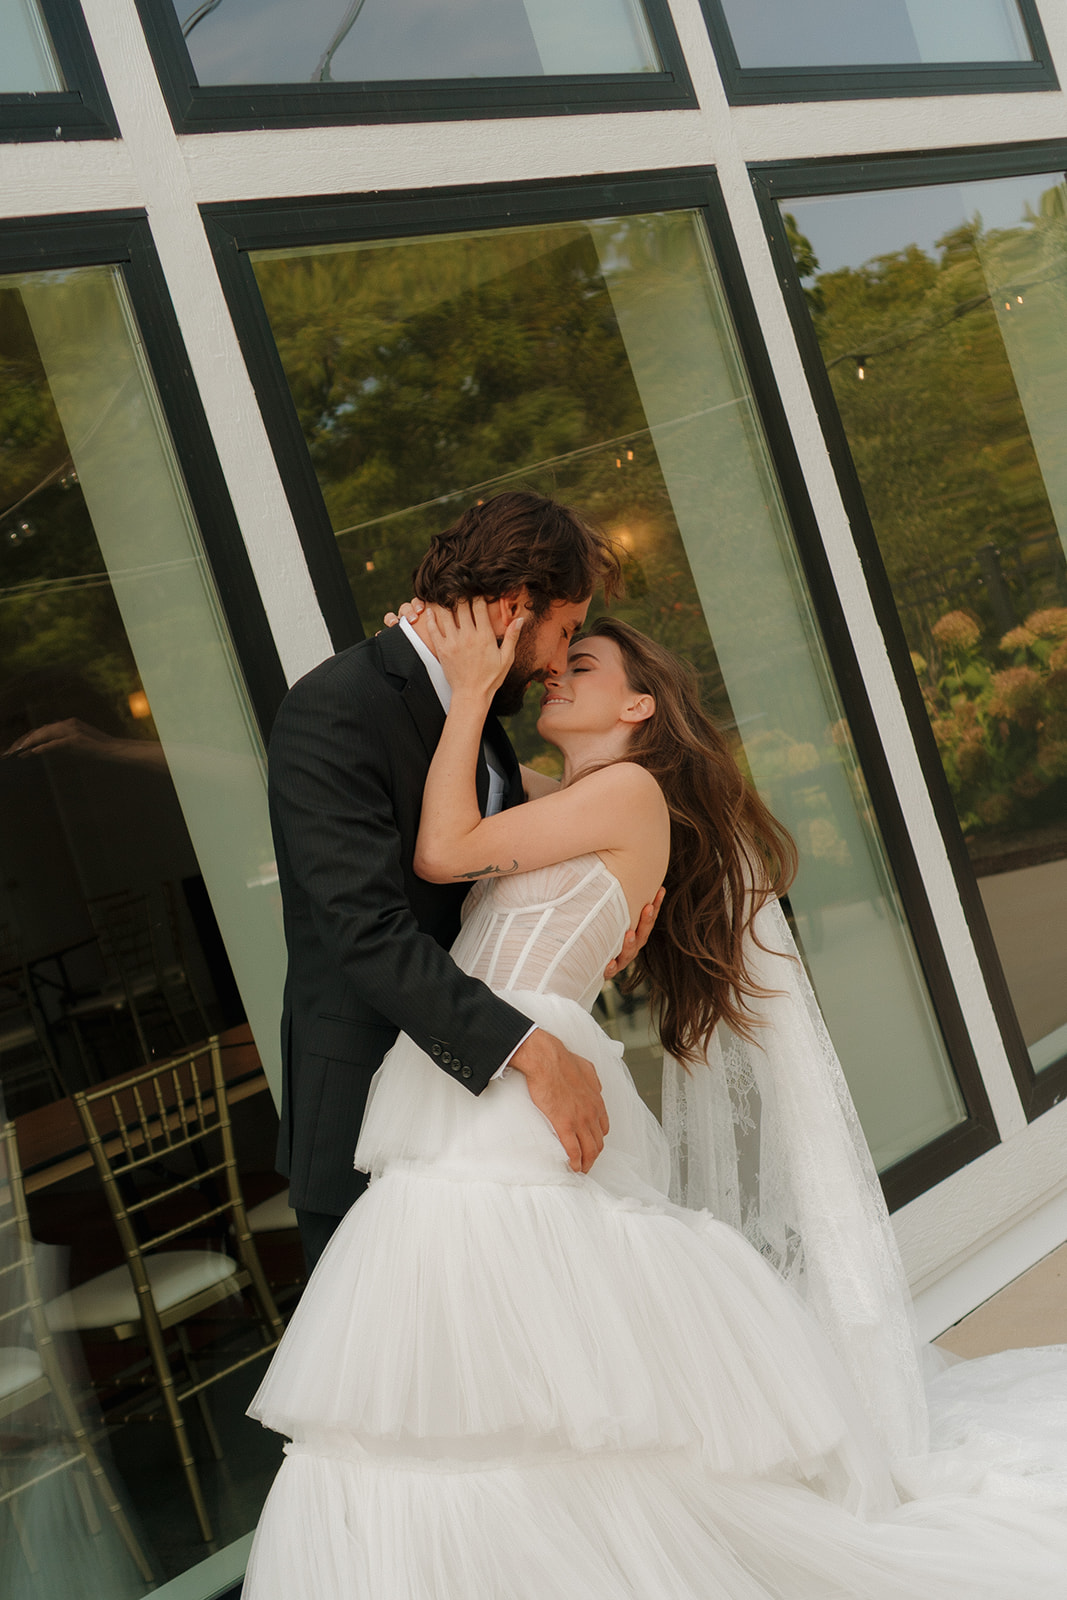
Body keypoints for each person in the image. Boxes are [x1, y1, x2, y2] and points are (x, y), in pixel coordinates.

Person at [245, 608, 1067, 1597]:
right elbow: (461, 805)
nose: (553, 673)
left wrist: (465, 690)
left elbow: (444, 845)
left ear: (638, 704)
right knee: (503, 1351)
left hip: (512, 1083)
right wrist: (430, 660)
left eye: (579, 664)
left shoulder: (630, 790)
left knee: (491, 1339)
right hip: (476, 1071)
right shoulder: (569, 793)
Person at [266, 492, 659, 1270]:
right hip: (368, 1128)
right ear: (516, 606)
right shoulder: (334, 707)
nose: (557, 661)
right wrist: (532, 1050)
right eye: (565, 631)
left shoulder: (478, 720)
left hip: (484, 1129)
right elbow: (367, 934)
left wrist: (609, 917)